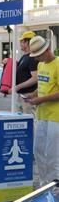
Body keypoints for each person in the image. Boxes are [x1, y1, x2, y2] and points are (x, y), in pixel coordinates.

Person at [25, 36, 59, 186]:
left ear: (47, 50)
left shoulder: (57, 64)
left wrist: (40, 100)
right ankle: (45, 182)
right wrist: (34, 95)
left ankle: (54, 184)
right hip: (42, 114)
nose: (37, 58)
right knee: (38, 150)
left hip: (56, 116)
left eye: (39, 55)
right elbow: (43, 86)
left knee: (52, 153)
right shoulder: (41, 66)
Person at [15, 31, 38, 115]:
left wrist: (19, 86)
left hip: (28, 95)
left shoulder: (32, 57)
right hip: (21, 94)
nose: (20, 43)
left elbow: (35, 78)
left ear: (27, 42)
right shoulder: (25, 56)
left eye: (22, 41)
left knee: (29, 121)